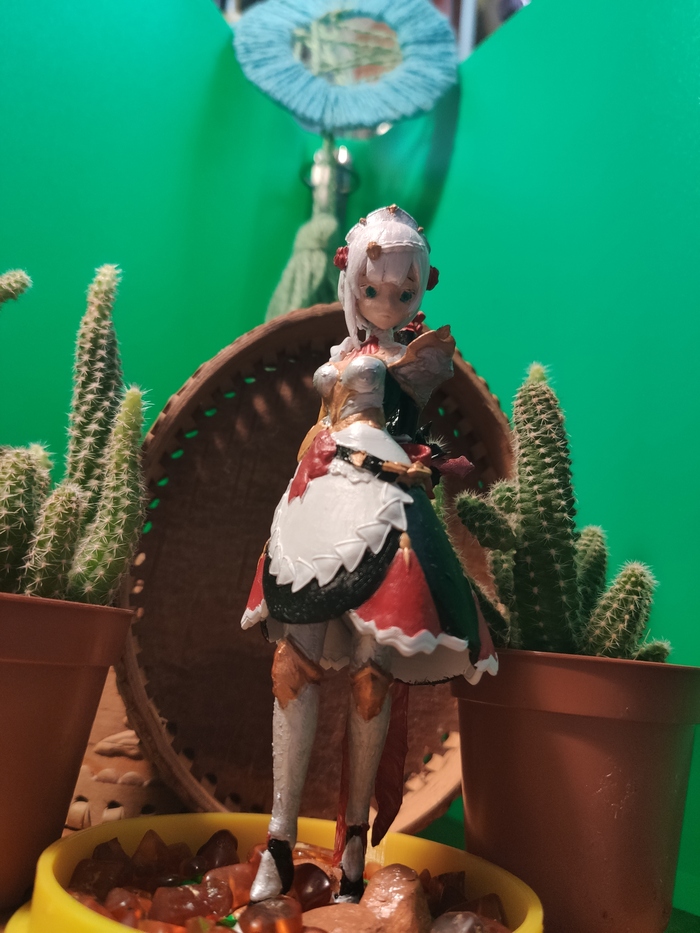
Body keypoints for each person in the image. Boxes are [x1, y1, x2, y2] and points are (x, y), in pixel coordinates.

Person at [241, 205, 497, 902]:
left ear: (422, 288)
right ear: (352, 282)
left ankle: (354, 839)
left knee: (370, 673)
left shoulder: (412, 358)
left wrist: (419, 444)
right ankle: (279, 837)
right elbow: (327, 408)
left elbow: (404, 413)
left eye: (404, 291)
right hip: (321, 492)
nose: (388, 301)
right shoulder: (346, 354)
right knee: (292, 662)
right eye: (374, 288)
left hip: (382, 497)